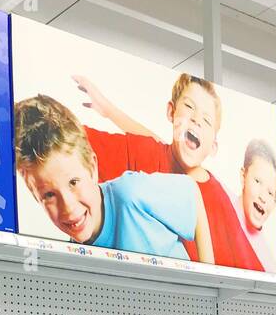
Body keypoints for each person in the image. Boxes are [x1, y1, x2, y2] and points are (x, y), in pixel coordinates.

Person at [71, 72, 263, 270]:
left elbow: (250, 268)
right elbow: (71, 141)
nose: (196, 120)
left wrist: (109, 110)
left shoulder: (217, 197)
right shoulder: (148, 155)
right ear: (171, 112)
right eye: (189, 107)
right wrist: (107, 109)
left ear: (213, 147)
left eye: (206, 120)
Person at [14, 94, 213, 263]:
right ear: (35, 197)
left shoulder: (131, 194)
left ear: (92, 167)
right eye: (49, 195)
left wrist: (208, 276)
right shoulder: (75, 254)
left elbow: (191, 192)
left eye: (73, 182)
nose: (68, 207)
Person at [234, 139, 276, 272]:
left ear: (275, 204)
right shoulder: (217, 206)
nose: (263, 197)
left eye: (270, 193)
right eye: (258, 181)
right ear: (243, 176)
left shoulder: (268, 265)